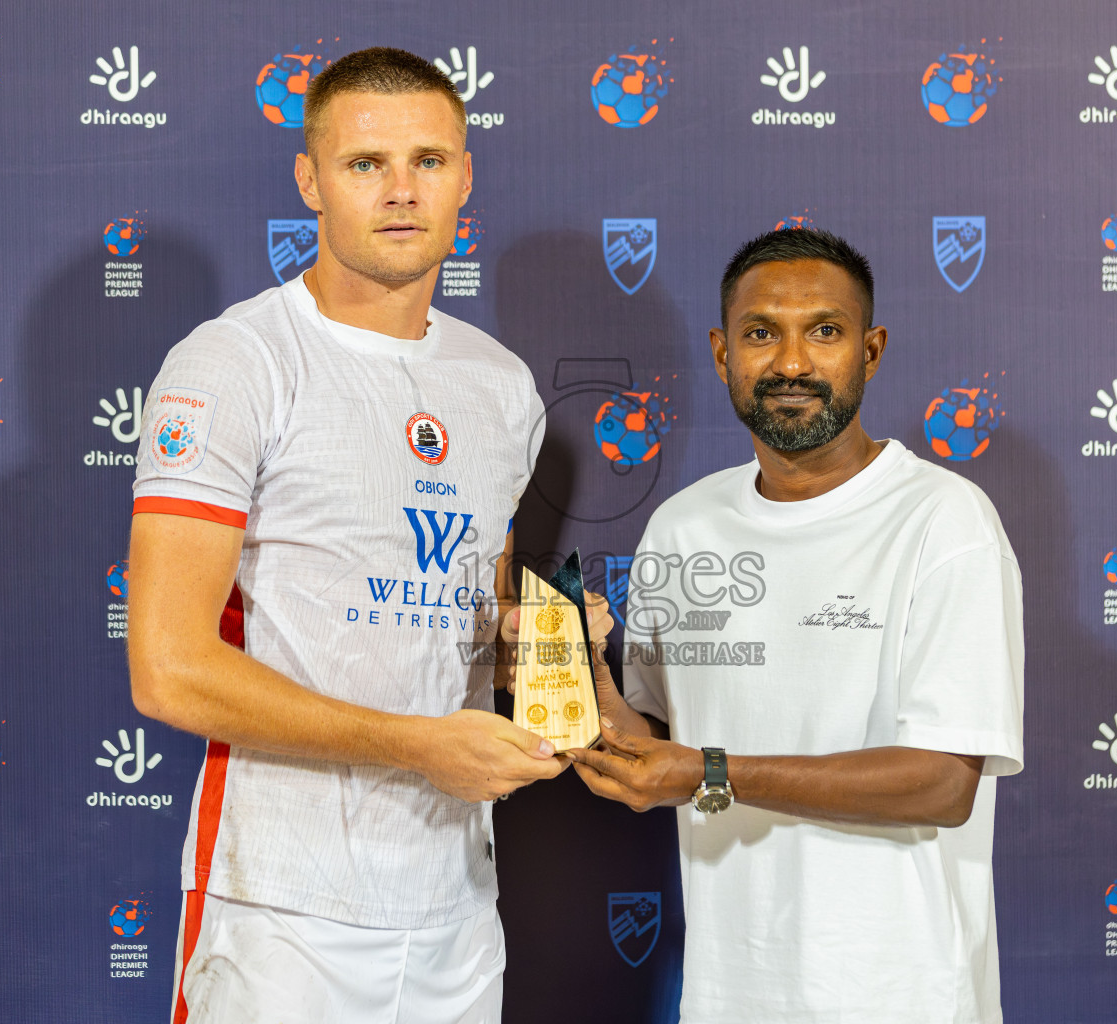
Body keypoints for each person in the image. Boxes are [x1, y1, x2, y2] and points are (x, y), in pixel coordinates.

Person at [127, 47, 605, 1024]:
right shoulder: (234, 362)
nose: (400, 191)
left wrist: (538, 643)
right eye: (364, 164)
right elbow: (169, 668)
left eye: (429, 161)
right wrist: (414, 745)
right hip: (283, 912)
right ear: (310, 178)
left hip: (456, 905)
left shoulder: (500, 384)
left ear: (466, 175)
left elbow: (464, 611)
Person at [570, 228, 1025, 1023]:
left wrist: (713, 773)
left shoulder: (944, 521)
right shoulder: (685, 527)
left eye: (824, 331)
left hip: (901, 994)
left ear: (871, 351)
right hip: (730, 992)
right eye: (760, 333)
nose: (790, 363)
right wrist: (581, 682)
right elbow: (649, 737)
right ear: (721, 353)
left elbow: (944, 783)